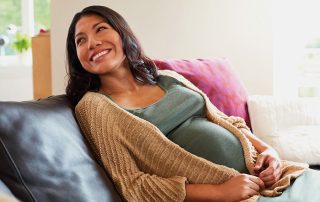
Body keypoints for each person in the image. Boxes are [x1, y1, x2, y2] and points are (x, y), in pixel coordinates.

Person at [66, 5, 320, 202]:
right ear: (78, 58)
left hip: (272, 178)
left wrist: (269, 152)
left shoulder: (167, 78)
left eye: (100, 29)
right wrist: (219, 192)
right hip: (234, 196)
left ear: (122, 33)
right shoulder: (94, 106)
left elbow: (228, 122)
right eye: (81, 40)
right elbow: (133, 185)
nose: (92, 43)